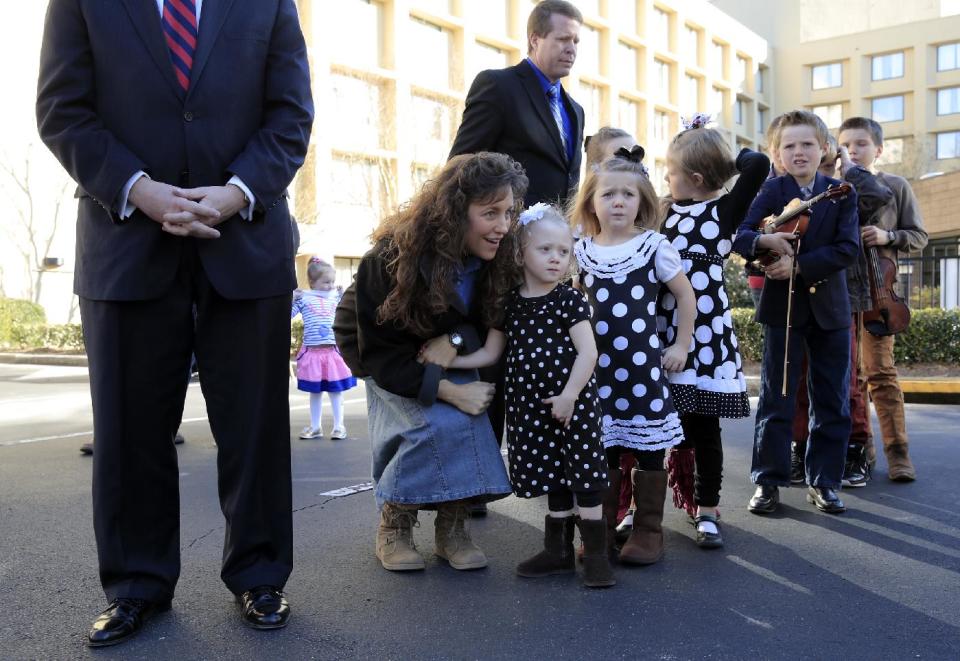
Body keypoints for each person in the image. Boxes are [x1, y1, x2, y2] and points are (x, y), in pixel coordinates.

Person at [36, 0, 313, 646]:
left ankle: (260, 572)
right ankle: (136, 584)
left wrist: (237, 191)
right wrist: (139, 188)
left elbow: (291, 113)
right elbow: (63, 110)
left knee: (255, 424)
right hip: (126, 235)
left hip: (244, 231)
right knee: (129, 428)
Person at [346, 153, 525, 573]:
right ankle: (395, 522)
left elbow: (491, 321)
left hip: (447, 347)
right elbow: (380, 352)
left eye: (509, 212)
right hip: (380, 348)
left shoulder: (498, 257)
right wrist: (447, 390)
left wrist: (455, 339)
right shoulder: (390, 259)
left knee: (470, 424)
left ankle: (453, 526)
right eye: (490, 213)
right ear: (455, 212)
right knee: (423, 424)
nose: (503, 226)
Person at [449, 202, 614, 588]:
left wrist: (570, 395)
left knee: (585, 476)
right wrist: (449, 363)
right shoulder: (510, 304)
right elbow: (491, 353)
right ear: (520, 253)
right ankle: (557, 552)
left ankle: (597, 557)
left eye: (563, 251)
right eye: (545, 250)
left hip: (573, 406)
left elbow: (589, 352)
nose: (556, 258)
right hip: (530, 410)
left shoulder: (569, 301)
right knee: (554, 477)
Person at [572, 153, 696, 566]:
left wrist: (681, 345)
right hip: (596, 371)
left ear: (641, 201)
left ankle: (647, 530)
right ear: (592, 202)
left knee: (647, 450)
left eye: (628, 194)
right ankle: (602, 527)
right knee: (603, 449)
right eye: (608, 194)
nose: (618, 201)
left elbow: (684, 294)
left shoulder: (652, 247)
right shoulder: (581, 250)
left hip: (642, 369)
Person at [733, 111, 859, 516]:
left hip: (831, 311)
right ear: (777, 152)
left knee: (832, 399)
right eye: (789, 145)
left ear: (824, 148)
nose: (799, 151)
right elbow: (741, 235)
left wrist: (800, 267)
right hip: (782, 310)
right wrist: (764, 240)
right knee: (776, 397)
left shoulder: (842, 191)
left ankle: (824, 482)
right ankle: (767, 482)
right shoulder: (771, 191)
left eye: (807, 144)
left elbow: (847, 249)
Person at [658, 114, 769, 548]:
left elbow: (757, 164)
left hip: (705, 334)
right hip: (664, 329)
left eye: (671, 172)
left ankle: (706, 509)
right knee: (656, 422)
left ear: (696, 177)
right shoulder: (662, 212)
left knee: (703, 425)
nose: (665, 179)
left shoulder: (722, 212)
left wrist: (721, 152)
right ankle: (639, 508)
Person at [791, 130, 894, 489]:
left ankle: (854, 449)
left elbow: (880, 196)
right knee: (802, 380)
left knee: (847, 382)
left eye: (815, 146)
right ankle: (801, 448)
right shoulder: (794, 183)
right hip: (802, 294)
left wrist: (847, 166)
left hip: (844, 297)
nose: (805, 152)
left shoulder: (848, 187)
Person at [838, 117, 929, 481]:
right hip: (842, 294)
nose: (853, 150)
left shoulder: (896, 185)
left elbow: (919, 235)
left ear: (878, 149)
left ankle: (898, 452)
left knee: (881, 372)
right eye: (847, 144)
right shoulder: (833, 188)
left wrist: (888, 235)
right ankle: (863, 450)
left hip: (879, 293)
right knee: (850, 377)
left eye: (861, 144)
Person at [449, 0, 585, 209]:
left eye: (576, 41)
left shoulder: (576, 111)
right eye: (563, 39)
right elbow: (459, 168)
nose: (571, 49)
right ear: (534, 40)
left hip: (560, 238)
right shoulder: (498, 86)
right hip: (507, 233)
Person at [292, 258, 356, 440]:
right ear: (312, 283)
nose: (330, 286)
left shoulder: (336, 298)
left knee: (336, 391)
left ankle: (339, 426)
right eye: (326, 282)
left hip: (332, 352)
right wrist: (292, 298)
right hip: (312, 353)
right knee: (315, 391)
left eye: (332, 282)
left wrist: (344, 296)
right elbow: (288, 315)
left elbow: (349, 312)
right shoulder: (304, 298)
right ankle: (315, 426)